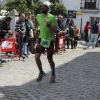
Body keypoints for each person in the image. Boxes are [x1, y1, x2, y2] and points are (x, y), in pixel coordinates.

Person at [35, 1, 57, 83]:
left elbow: (55, 30)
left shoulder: (52, 17)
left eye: (45, 6)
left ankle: (53, 74)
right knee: (36, 57)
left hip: (50, 40)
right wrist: (36, 30)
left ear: (48, 8)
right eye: (42, 6)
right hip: (41, 39)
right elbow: (39, 25)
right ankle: (41, 72)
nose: (42, 7)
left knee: (49, 59)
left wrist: (48, 25)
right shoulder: (38, 16)